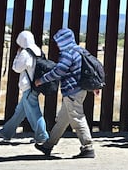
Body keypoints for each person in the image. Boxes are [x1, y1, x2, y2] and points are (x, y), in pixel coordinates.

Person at [33, 28, 95, 159]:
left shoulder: (68, 53)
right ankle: (48, 145)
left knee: (78, 118)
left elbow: (59, 71)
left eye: (58, 42)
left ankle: (88, 147)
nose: (57, 45)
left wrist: (42, 80)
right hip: (80, 90)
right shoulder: (80, 50)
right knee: (62, 120)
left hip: (72, 91)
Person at [0, 30, 49, 144]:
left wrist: (18, 55)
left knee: (34, 112)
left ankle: (42, 135)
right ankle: (6, 132)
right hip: (35, 85)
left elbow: (17, 68)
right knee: (20, 111)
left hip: (28, 86)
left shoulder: (25, 52)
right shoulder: (38, 50)